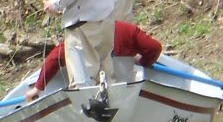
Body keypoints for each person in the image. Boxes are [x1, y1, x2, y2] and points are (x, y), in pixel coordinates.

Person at [24, 20, 163, 100]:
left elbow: (54, 60)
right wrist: (143, 62)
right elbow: (154, 48)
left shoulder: (79, 36)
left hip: (92, 95)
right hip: (125, 94)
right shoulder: (127, 29)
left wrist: (38, 88)